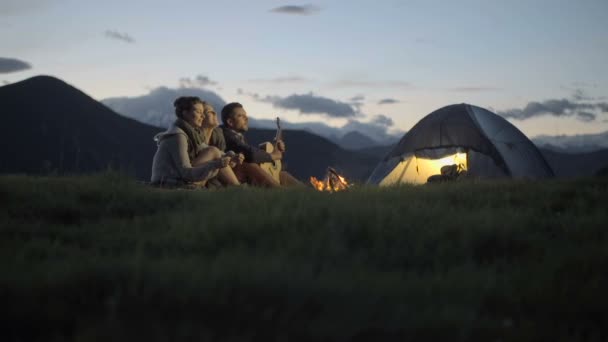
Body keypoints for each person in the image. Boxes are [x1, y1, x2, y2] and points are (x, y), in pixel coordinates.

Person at [150, 96, 242, 188]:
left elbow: (209, 150)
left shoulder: (192, 134)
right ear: (185, 113)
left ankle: (237, 188)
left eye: (203, 113)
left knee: (213, 151)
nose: (203, 116)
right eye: (198, 112)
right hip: (169, 182)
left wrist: (231, 156)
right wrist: (215, 165)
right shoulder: (178, 136)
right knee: (213, 151)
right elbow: (185, 172)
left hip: (177, 179)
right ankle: (238, 189)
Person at [220, 102, 302, 188]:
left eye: (245, 115)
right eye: (240, 116)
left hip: (242, 174)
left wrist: (276, 150)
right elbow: (250, 154)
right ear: (230, 122)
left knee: (282, 175)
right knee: (250, 165)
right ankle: (281, 193)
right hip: (232, 175)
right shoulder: (225, 134)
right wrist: (273, 155)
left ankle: (310, 195)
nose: (246, 118)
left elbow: (251, 153)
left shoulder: (238, 136)